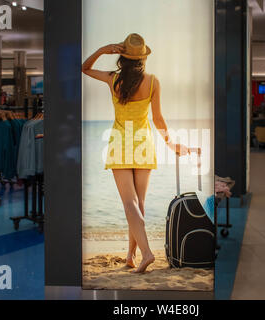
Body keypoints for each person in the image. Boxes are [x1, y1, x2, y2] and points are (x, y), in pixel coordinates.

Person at [82, 33, 190, 273]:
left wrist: (102, 50)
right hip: (143, 142)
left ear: (122, 56)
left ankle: (146, 252)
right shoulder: (152, 81)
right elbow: (158, 119)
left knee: (129, 204)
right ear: (142, 59)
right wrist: (172, 145)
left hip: (120, 142)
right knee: (139, 203)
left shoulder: (113, 80)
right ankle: (131, 255)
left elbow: (84, 68)